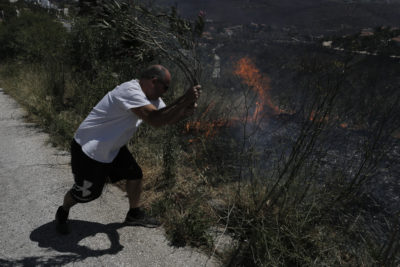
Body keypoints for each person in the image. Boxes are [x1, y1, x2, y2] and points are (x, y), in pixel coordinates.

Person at [55, 65, 200, 234]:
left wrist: (183, 112)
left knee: (135, 175)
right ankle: (63, 211)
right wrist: (184, 99)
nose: (165, 92)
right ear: (154, 81)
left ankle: (134, 214)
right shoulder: (130, 91)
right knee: (87, 194)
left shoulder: (152, 98)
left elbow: (165, 118)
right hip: (89, 150)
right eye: (165, 87)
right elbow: (155, 120)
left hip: (113, 147)